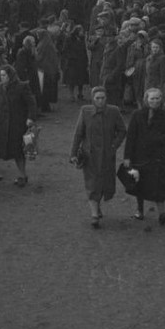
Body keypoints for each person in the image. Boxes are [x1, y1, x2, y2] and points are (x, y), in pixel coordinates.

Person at [69, 85, 127, 228]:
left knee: (104, 183)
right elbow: (78, 134)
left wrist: (114, 146)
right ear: (93, 99)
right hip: (90, 155)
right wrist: (73, 153)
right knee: (92, 184)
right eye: (97, 98)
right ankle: (94, 214)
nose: (100, 101)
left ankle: (98, 204)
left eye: (103, 98)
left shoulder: (114, 112)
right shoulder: (85, 111)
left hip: (107, 155)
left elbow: (122, 130)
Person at [123, 86, 165, 226]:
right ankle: (139, 211)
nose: (155, 101)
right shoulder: (137, 115)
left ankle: (162, 213)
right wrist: (127, 157)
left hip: (157, 155)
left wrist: (160, 141)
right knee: (139, 183)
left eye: (158, 98)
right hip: (140, 155)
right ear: (146, 99)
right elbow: (131, 137)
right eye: (152, 98)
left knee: (159, 185)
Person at [0, 63, 36, 187]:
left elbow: (31, 103)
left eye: (4, 75)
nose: (2, 77)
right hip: (4, 124)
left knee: (18, 151)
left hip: (18, 124)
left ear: (10, 75)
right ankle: (22, 174)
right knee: (13, 150)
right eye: (1, 75)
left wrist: (30, 117)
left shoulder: (22, 87)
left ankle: (22, 175)